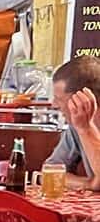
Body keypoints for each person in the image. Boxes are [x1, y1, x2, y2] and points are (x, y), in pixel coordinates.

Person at [48, 55, 100, 188]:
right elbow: (49, 173)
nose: (54, 104)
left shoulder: (82, 126)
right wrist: (88, 183)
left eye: (58, 99)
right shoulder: (75, 128)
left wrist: (86, 129)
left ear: (83, 99)